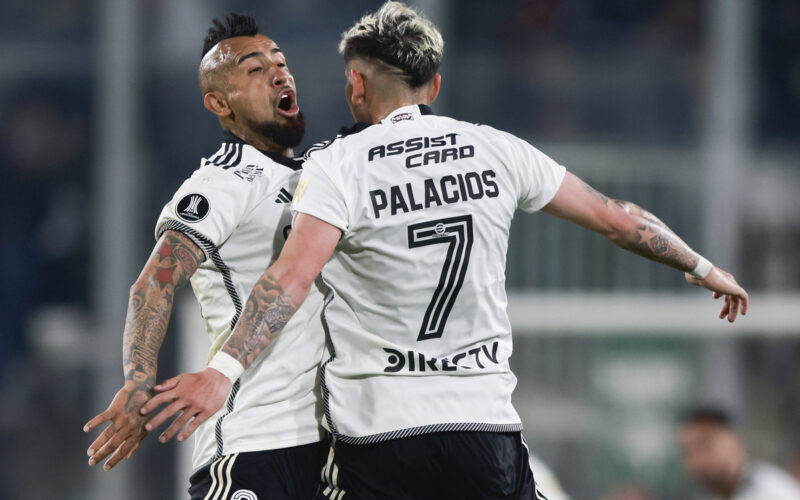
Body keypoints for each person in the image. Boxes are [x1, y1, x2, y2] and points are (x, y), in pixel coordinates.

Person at [141, 2, 749, 499]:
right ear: (435, 84)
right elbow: (616, 219)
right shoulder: (498, 149)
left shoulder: (337, 165)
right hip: (484, 424)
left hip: (379, 436)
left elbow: (290, 277)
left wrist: (222, 372)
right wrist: (701, 265)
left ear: (355, 84)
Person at [83, 14, 328, 500]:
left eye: (281, 63)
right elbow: (154, 282)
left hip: (334, 442)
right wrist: (137, 383)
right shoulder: (225, 180)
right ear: (219, 103)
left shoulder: (324, 172)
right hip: (257, 441)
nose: (280, 73)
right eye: (255, 70)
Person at [679, 407, 800, 500]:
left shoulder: (769, 492)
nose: (697, 460)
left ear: (736, 442)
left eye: (705, 445)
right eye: (688, 452)